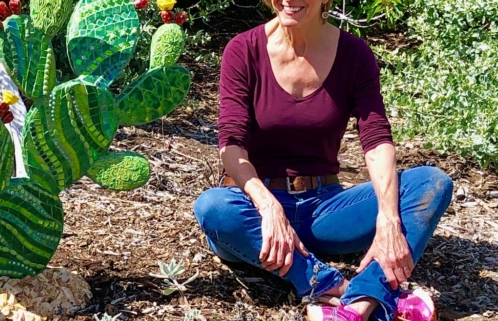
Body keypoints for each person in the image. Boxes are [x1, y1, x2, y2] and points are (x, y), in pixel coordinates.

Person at [192, 0, 454, 320]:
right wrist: (268, 205)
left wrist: (388, 217)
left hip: (323, 211)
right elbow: (231, 143)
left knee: (431, 182)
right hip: (255, 216)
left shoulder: (354, 54)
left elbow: (375, 138)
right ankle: (338, 287)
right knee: (213, 206)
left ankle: (361, 302)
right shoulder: (243, 50)